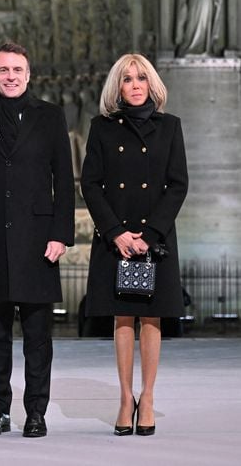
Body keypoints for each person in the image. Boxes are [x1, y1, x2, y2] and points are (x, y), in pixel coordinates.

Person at [0, 42, 75, 438]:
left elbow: (64, 177)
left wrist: (61, 234)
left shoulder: (50, 117)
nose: (11, 76)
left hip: (38, 242)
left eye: (18, 70)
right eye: (3, 70)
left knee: (37, 339)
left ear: (29, 75)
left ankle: (36, 413)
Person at [81, 53, 188, 436]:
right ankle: (126, 399)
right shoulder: (101, 127)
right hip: (117, 237)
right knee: (122, 318)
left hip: (154, 238)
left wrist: (151, 233)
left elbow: (178, 185)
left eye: (142, 77)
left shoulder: (170, 127)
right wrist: (115, 232)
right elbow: (90, 184)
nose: (136, 84)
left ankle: (150, 397)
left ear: (152, 83)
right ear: (118, 86)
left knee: (152, 318)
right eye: (127, 79)